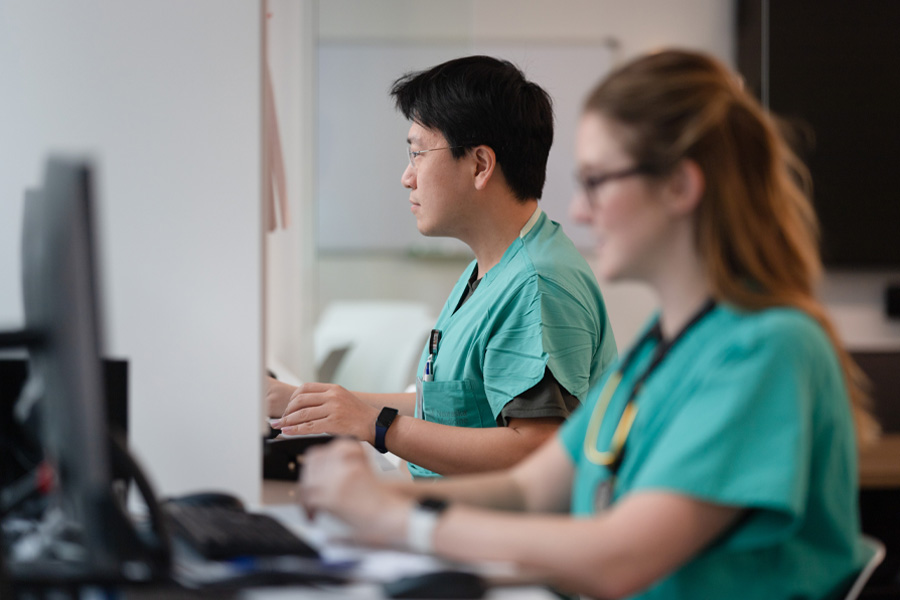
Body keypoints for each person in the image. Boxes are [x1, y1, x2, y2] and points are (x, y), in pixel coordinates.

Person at [297, 49, 880, 599]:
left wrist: (398, 519)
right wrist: (376, 498)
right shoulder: (667, 342)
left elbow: (619, 554)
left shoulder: (768, 351)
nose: (578, 211)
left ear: (679, 186)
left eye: (598, 182)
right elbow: (530, 486)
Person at [270, 56, 618, 478]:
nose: (407, 177)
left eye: (417, 153)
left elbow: (535, 449)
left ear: (479, 165)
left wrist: (375, 426)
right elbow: (448, 410)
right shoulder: (492, 267)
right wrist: (305, 401)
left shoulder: (536, 284)